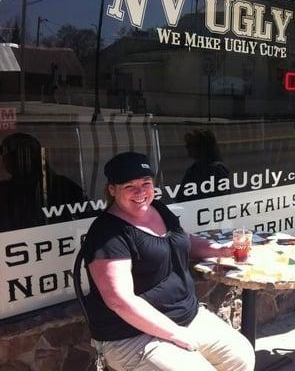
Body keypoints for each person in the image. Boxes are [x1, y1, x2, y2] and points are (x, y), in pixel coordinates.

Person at [81, 152, 255, 371]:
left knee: (241, 356)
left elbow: (183, 240)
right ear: (112, 190)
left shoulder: (158, 209)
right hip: (132, 335)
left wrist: (222, 250)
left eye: (146, 183)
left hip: (186, 316)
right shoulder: (107, 233)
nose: (140, 192)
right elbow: (120, 300)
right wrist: (175, 334)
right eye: (129, 186)